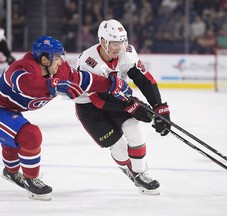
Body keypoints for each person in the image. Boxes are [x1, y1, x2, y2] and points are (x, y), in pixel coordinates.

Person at [0, 35, 131, 201]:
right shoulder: (22, 68)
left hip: (10, 108)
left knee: (14, 131)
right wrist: (52, 86)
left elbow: (84, 80)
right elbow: (23, 83)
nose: (61, 62)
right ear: (44, 59)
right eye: (56, 58)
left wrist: (111, 84)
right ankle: (31, 179)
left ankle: (10, 172)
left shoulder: (60, 71)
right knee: (29, 134)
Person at [76, 19, 171, 195]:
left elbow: (144, 79)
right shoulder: (89, 62)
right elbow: (97, 99)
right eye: (114, 42)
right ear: (103, 41)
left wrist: (159, 107)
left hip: (117, 99)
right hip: (89, 107)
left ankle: (140, 173)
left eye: (121, 42)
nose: (118, 47)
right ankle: (129, 169)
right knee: (118, 146)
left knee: (135, 130)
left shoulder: (126, 53)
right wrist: (129, 106)